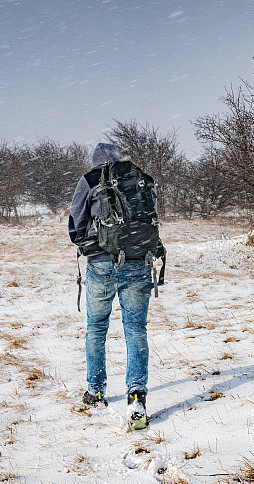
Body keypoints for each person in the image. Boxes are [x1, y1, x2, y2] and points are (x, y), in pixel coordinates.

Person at [68, 143, 161, 430]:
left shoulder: (90, 180)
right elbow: (152, 216)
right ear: (121, 158)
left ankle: (96, 391)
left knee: (96, 328)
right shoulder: (141, 177)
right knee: (136, 329)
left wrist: (90, 243)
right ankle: (136, 395)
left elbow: (75, 223)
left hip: (102, 264)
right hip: (138, 260)